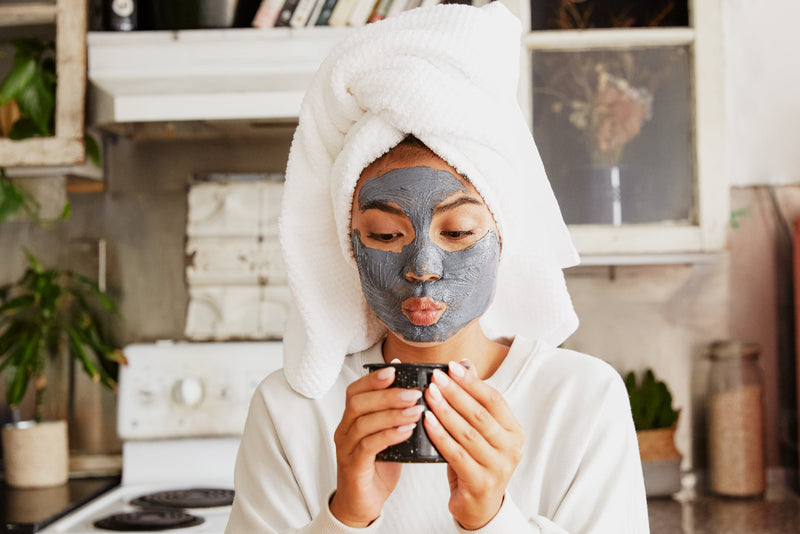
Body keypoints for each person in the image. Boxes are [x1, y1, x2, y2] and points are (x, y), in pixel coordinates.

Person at [226, 3, 649, 533]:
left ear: (503, 238)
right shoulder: (290, 413)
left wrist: (489, 517)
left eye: (459, 232)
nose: (423, 266)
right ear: (350, 246)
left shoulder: (582, 400)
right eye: (384, 235)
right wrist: (347, 515)